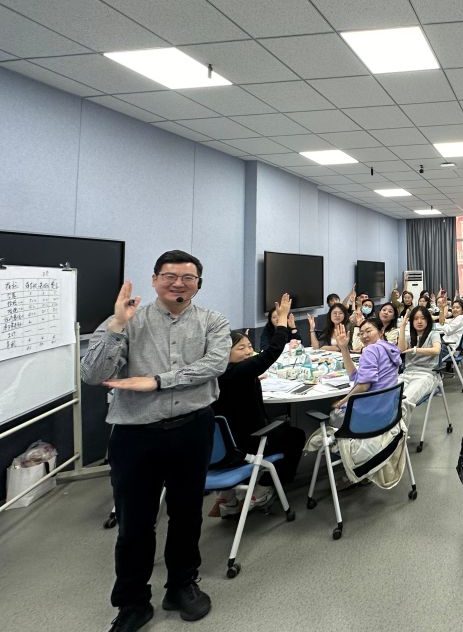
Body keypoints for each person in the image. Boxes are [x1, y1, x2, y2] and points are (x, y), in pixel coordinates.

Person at [81, 250, 229, 630]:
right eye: (169, 276)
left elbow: (215, 364)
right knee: (134, 523)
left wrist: (159, 381)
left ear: (198, 284)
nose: (179, 283)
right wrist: (117, 324)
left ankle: (182, 585)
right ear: (154, 280)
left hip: (192, 429)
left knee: (187, 514)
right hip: (135, 435)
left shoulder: (212, 321)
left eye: (188, 277)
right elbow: (92, 374)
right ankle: (132, 602)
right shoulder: (127, 321)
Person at [211, 292, 306, 515]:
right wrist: (282, 321)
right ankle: (264, 488)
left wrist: (253, 377)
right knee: (295, 436)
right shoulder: (238, 372)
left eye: (249, 346)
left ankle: (228, 497)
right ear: (224, 353)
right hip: (249, 442)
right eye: (241, 348)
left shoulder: (220, 374)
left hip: (222, 445)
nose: (248, 351)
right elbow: (271, 352)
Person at [397, 305, 442, 408]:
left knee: (405, 400)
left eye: (423, 318)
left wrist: (415, 350)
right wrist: (402, 327)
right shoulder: (409, 337)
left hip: (427, 375)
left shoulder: (433, 334)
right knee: (388, 396)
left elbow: (437, 350)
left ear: (428, 320)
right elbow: (401, 350)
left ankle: (399, 419)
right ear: (412, 321)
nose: (419, 321)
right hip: (407, 373)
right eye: (416, 319)